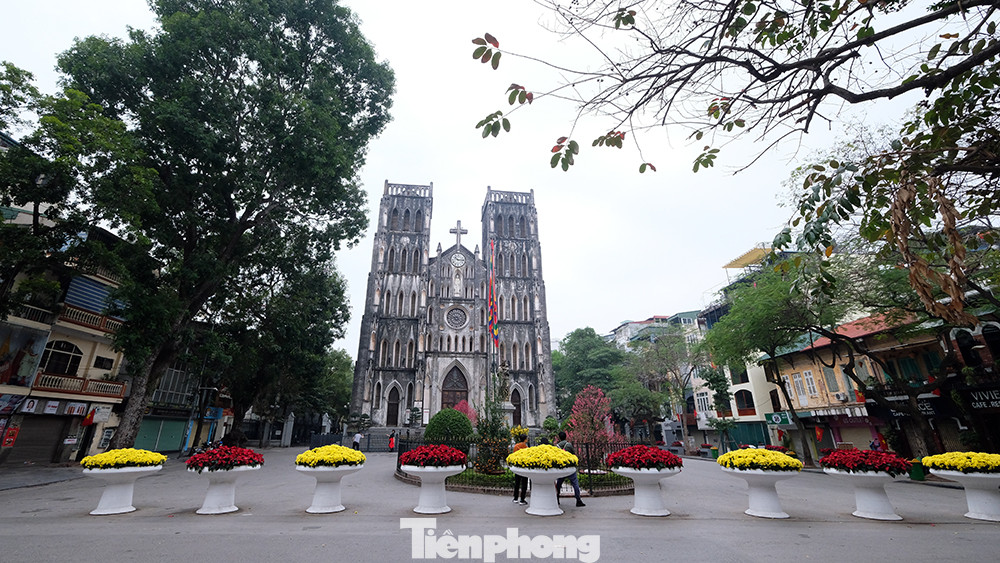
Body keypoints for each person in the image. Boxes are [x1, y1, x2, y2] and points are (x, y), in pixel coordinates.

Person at [554, 431, 585, 507]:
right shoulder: (569, 445)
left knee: (559, 484)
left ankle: (557, 498)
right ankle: (578, 500)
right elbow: (573, 454)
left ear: (559, 438)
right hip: (570, 467)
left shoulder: (557, 446)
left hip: (562, 467)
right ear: (566, 437)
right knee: (575, 484)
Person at [511, 434, 529, 505]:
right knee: (524, 483)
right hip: (524, 467)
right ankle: (522, 499)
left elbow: (514, 455)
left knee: (517, 483)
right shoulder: (526, 448)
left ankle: (515, 498)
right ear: (525, 440)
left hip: (517, 466)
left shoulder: (516, 446)